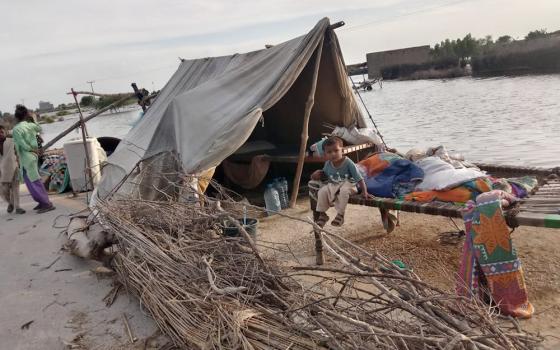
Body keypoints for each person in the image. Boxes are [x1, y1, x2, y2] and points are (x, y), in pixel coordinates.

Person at [311, 136, 368, 227]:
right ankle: (322, 214)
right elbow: (323, 175)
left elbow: (359, 178)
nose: (333, 154)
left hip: (349, 185)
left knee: (344, 191)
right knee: (322, 191)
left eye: (336, 150)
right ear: (325, 154)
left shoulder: (348, 162)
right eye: (329, 152)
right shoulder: (328, 164)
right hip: (334, 185)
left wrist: (364, 191)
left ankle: (340, 215)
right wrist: (314, 175)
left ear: (342, 150)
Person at [12, 105, 55, 213]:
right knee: (32, 179)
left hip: (26, 156)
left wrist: (28, 150)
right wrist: (32, 120)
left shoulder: (16, 129)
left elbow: (21, 144)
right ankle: (41, 202)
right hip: (33, 156)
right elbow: (39, 128)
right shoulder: (30, 125)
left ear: (16, 117)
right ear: (26, 115)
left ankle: (46, 203)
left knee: (33, 181)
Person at [0, 125, 25, 214]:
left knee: (15, 188)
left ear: (5, 132)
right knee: (3, 191)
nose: (0, 134)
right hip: (2, 172)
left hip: (14, 168)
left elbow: (18, 153)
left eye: (2, 132)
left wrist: (19, 163)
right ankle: (10, 203)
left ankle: (18, 207)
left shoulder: (12, 141)